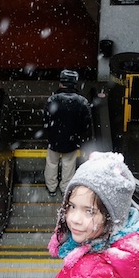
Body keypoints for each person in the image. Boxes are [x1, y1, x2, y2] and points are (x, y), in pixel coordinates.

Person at [43, 69, 93, 197]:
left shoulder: (52, 99)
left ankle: (51, 187)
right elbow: (86, 123)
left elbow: (45, 120)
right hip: (72, 140)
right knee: (69, 165)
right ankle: (65, 188)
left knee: (51, 163)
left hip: (54, 139)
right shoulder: (82, 102)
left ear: (61, 83)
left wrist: (50, 132)